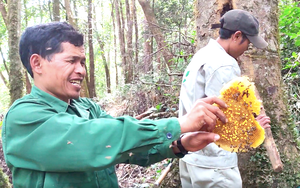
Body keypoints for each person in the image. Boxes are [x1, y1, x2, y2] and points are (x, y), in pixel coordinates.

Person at [2, 22, 229, 188]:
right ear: (37, 63)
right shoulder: (23, 117)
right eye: (71, 61)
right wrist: (178, 124)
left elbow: (129, 148)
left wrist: (180, 145)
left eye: (82, 62)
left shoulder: (88, 108)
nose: (81, 70)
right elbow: (94, 140)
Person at [179, 9, 271, 188]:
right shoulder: (224, 64)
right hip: (213, 164)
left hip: (190, 154)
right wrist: (254, 130)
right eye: (248, 43)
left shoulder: (201, 55)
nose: (247, 49)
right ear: (237, 36)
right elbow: (225, 119)